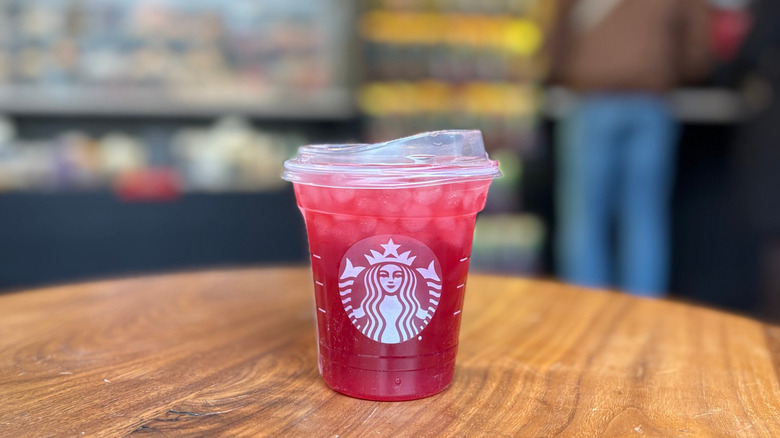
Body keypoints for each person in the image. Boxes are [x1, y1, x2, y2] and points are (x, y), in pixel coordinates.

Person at [547, 0, 710, 296]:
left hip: (592, 99)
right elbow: (698, 46)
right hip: (652, 100)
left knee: (584, 217)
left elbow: (556, 37)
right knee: (645, 215)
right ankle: (644, 313)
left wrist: (563, 69)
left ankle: (583, 313)